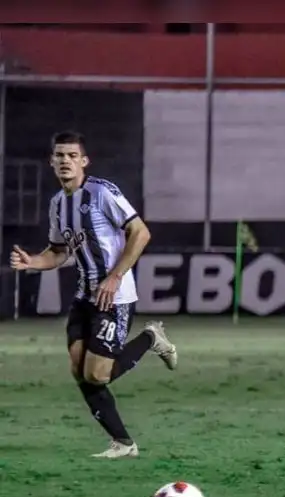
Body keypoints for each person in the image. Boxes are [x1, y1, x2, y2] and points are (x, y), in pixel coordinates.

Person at [8, 130, 178, 459]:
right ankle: (123, 444)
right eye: (59, 156)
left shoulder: (101, 193)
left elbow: (140, 232)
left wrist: (115, 276)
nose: (65, 161)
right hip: (85, 296)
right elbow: (58, 252)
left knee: (97, 374)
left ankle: (151, 338)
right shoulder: (58, 204)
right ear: (51, 162)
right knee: (78, 368)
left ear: (84, 162)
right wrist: (33, 261)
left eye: (72, 156)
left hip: (114, 297)